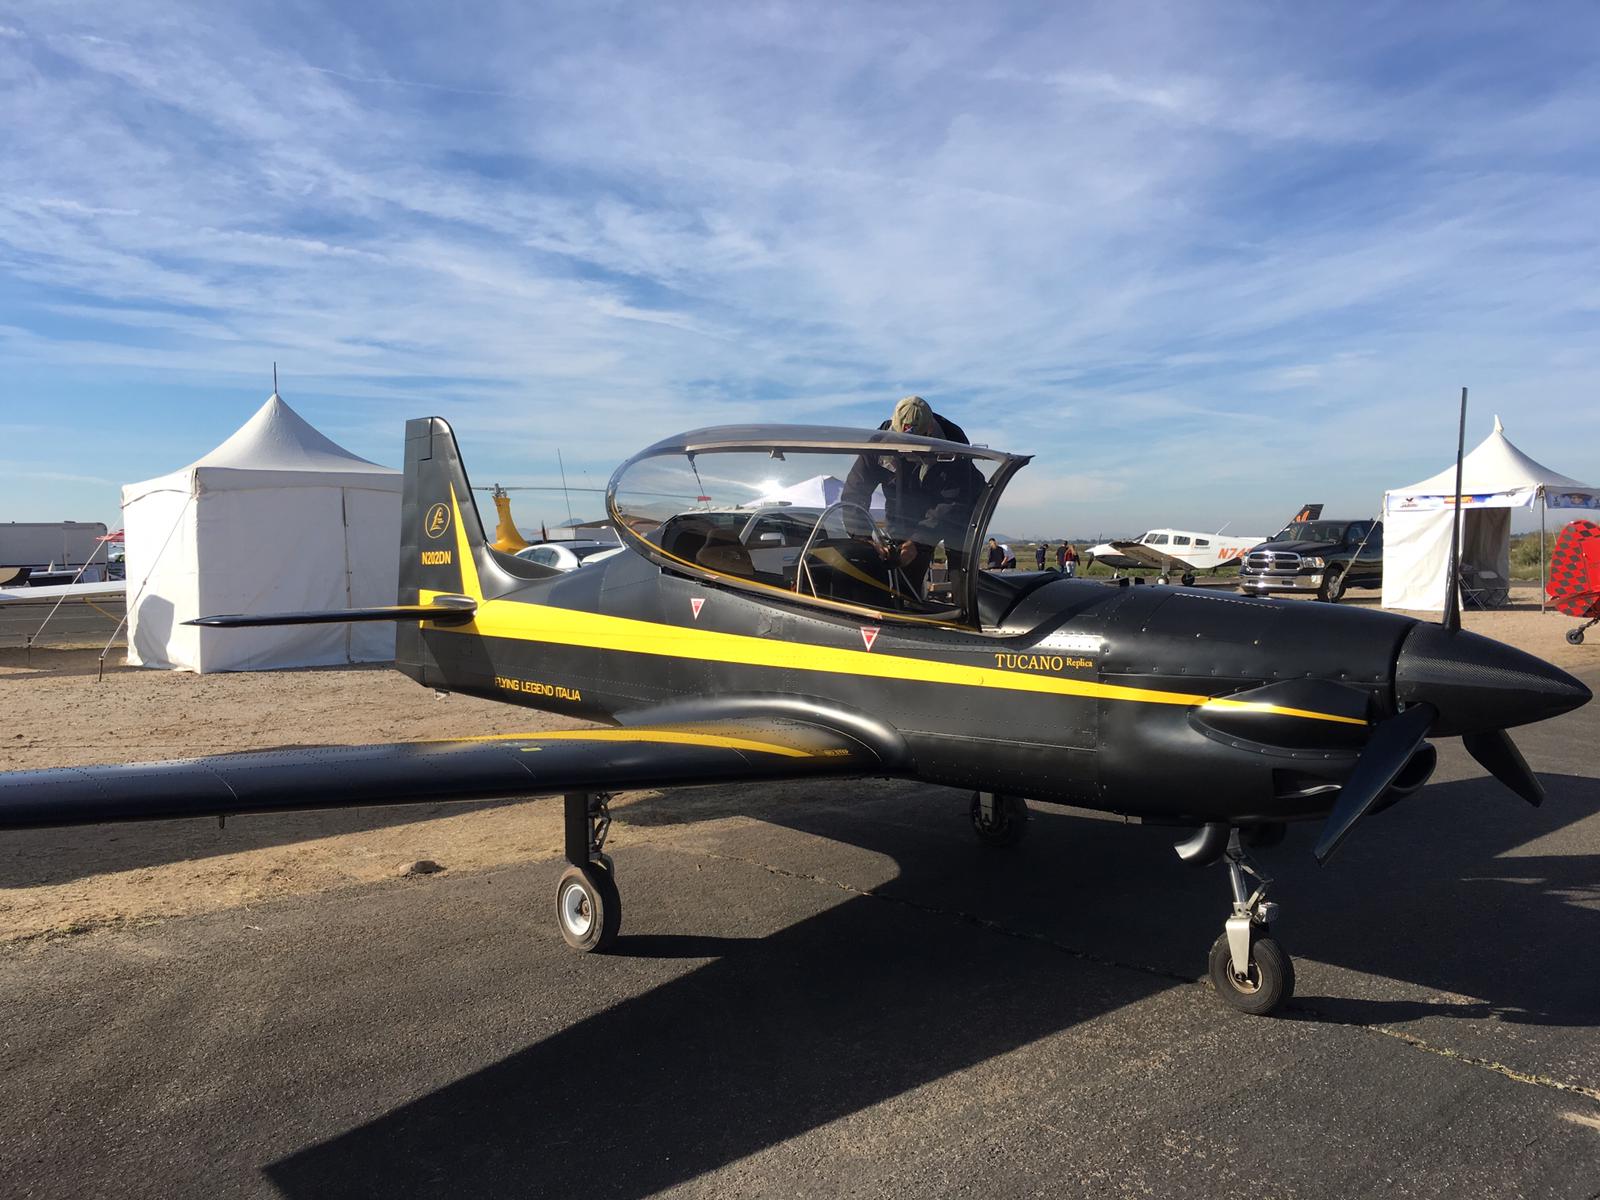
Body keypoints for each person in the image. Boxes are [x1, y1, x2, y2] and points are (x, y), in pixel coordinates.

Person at [841, 396, 983, 596]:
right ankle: (904, 605)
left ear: (929, 430)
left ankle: (965, 609)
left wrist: (919, 541)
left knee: (961, 571)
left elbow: (953, 501)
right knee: (900, 574)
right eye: (901, 441)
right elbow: (855, 491)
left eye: (914, 443)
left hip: (960, 508)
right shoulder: (878, 445)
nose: (906, 449)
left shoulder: (953, 442)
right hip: (903, 509)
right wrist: (863, 538)